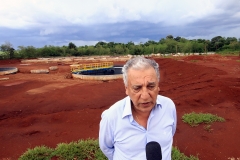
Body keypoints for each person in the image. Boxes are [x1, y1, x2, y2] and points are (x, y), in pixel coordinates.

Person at [99, 56, 177, 160]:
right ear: (127, 89)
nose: (145, 96)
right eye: (137, 88)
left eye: (151, 86)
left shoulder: (169, 107)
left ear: (158, 86)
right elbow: (106, 148)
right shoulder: (111, 116)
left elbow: (172, 132)